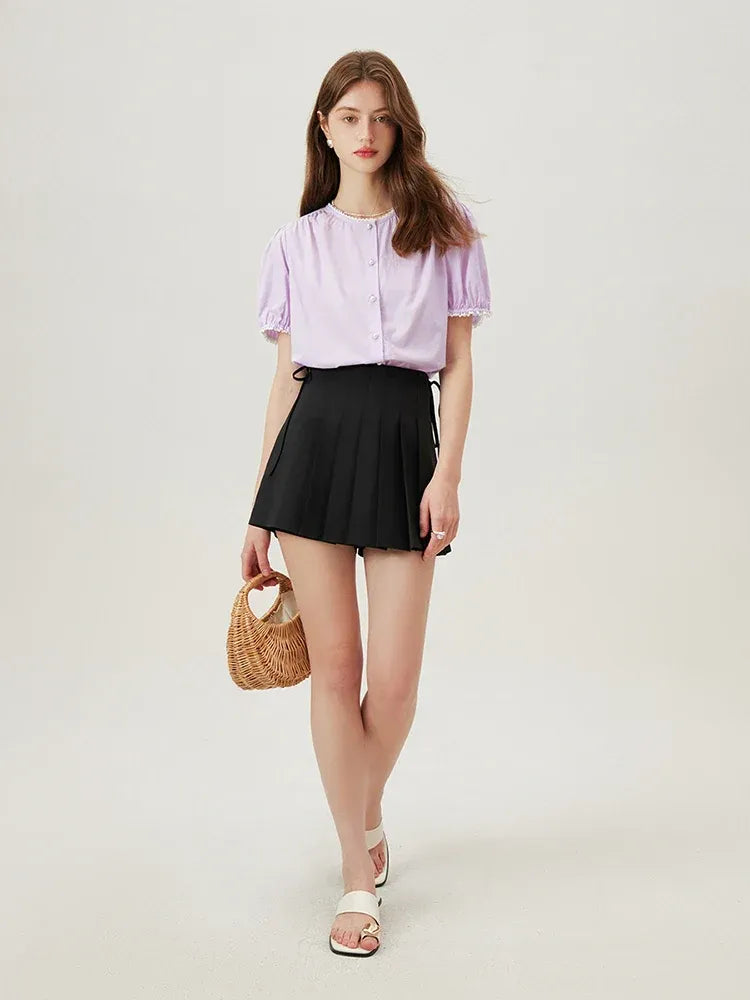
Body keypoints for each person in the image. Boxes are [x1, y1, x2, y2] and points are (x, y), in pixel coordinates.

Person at [240, 50, 491, 957]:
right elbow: (286, 380)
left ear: (401, 126)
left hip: (402, 448)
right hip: (312, 451)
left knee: (395, 682)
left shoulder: (444, 230)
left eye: (381, 116)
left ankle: (363, 812)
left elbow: (457, 366)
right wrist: (258, 508)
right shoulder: (296, 243)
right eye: (349, 116)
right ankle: (359, 870)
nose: (367, 132)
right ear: (325, 127)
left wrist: (448, 474)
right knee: (335, 672)